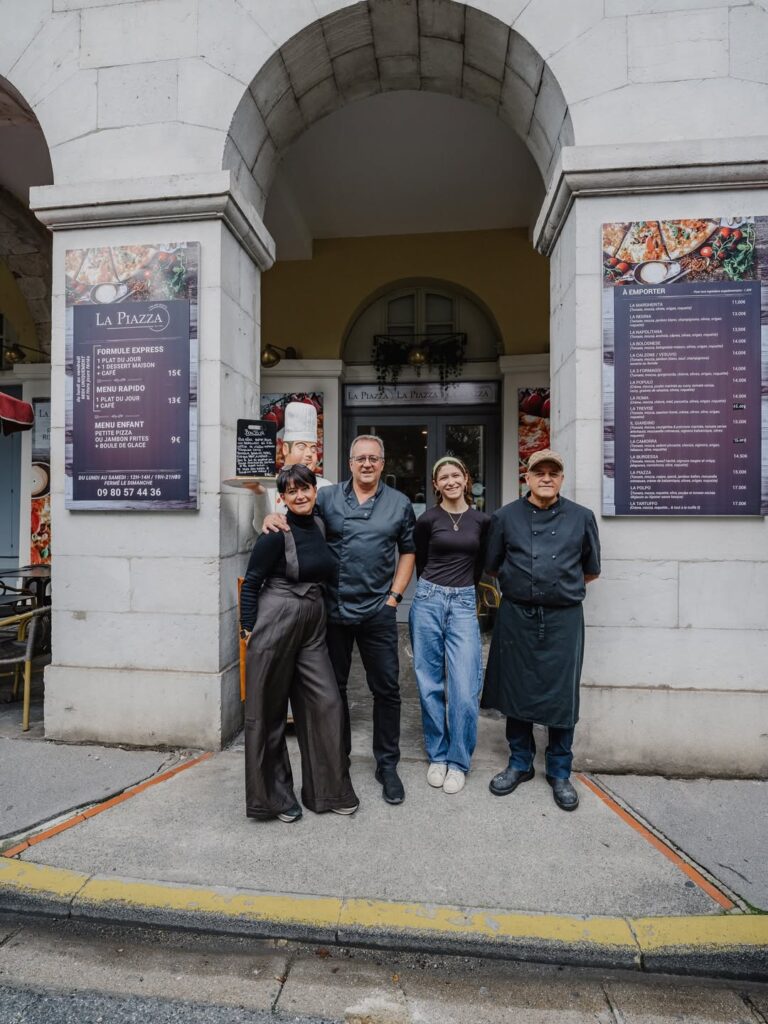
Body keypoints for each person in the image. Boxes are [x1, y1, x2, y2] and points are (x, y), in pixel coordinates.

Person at [264, 435, 416, 805]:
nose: (367, 464)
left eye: (374, 459)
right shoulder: (328, 497)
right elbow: (297, 519)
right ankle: (338, 760)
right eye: (360, 458)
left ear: (383, 463)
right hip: (330, 611)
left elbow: (408, 551)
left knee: (387, 691)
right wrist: (273, 514)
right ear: (349, 463)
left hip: (378, 612)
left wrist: (394, 598)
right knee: (334, 693)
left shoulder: (399, 503)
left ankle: (387, 765)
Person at [482, 450, 600, 812]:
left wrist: (555, 589)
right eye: (539, 472)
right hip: (517, 615)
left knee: (562, 695)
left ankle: (560, 770)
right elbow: (493, 565)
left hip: (563, 619)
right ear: (527, 478)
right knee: (517, 689)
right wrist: (526, 588)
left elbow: (591, 570)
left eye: (553, 472)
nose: (546, 478)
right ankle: (519, 763)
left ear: (561, 479)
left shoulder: (582, 518)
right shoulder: (505, 517)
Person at [240, 464, 358, 823]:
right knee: (268, 711)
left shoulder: (320, 523)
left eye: (305, 488)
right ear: (283, 498)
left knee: (326, 704)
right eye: (292, 492)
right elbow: (252, 583)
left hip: (312, 623)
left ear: (314, 490)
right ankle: (273, 799)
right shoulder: (275, 534)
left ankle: (328, 791)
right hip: (275, 620)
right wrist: (249, 629)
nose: (301, 495)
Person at [410, 457, 490, 795]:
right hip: (428, 599)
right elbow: (421, 560)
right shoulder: (427, 519)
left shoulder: (483, 520)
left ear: (466, 478)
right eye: (443, 477)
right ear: (436, 484)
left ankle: (459, 761)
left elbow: (481, 564)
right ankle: (438, 756)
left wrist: (462, 593)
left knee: (464, 687)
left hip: (463, 602)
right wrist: (433, 592)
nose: (450, 481)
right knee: (429, 682)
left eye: (456, 474)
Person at [249, 401, 332, 522]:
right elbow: (260, 528)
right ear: (285, 449)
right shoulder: (270, 485)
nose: (309, 454)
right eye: (302, 447)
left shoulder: (326, 487)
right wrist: (259, 492)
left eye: (313, 449)